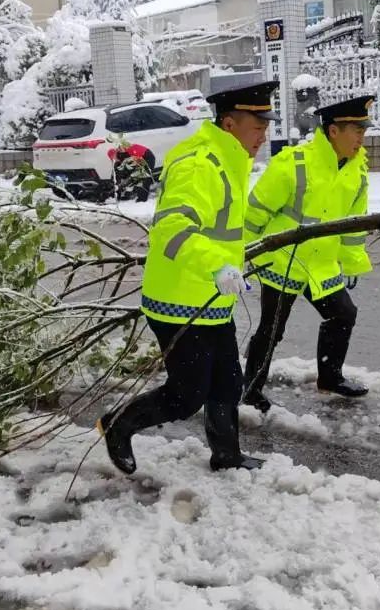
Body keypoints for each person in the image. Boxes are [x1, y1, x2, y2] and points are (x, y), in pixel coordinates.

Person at [96, 81, 279, 474]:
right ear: (229, 124)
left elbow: (222, 226)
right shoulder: (201, 163)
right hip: (178, 300)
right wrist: (217, 265)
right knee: (187, 395)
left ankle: (227, 455)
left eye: (265, 127)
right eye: (256, 126)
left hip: (211, 297)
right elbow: (172, 228)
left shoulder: (228, 159)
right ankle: (118, 423)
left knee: (228, 383)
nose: (263, 136)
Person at [241, 95, 375, 412]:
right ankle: (250, 389)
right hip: (283, 261)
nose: (361, 138)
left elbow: (353, 225)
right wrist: (240, 254)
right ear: (333, 132)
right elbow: (255, 213)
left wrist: (352, 262)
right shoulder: (294, 164)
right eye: (356, 130)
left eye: (363, 132)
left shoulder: (358, 171)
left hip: (321, 264)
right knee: (272, 329)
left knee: (343, 314)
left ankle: (329, 377)